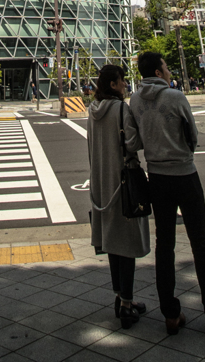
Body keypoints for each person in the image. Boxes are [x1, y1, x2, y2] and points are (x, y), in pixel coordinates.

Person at [129, 51, 205, 337]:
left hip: (157, 178)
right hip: (185, 175)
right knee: (201, 245)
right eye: (166, 67)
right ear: (159, 73)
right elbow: (193, 135)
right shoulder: (175, 96)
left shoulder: (134, 101)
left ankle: (170, 315)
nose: (169, 71)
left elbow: (133, 141)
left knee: (165, 246)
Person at [88, 64, 150, 329]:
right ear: (113, 85)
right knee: (126, 245)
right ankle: (126, 303)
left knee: (113, 243)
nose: (126, 84)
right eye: (122, 80)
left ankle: (120, 296)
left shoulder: (92, 112)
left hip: (102, 184)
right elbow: (133, 144)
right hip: (123, 184)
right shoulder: (121, 109)